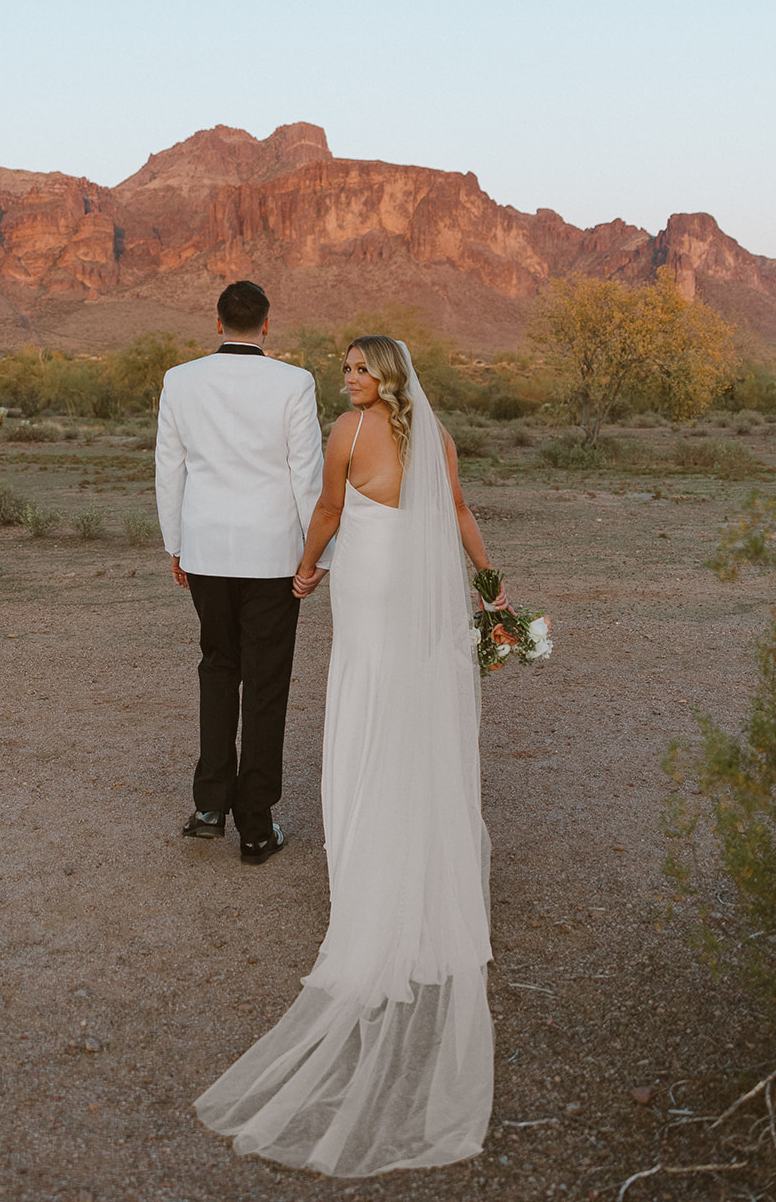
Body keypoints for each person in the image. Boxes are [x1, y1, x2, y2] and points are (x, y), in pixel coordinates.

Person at [195, 335, 501, 1174]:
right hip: (420, 580)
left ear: (385, 377)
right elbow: (463, 511)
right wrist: (489, 582)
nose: (348, 379)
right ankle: (416, 842)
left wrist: (302, 572)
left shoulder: (350, 433)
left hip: (368, 581)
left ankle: (371, 852)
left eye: (359, 370)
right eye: (346, 373)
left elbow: (328, 514)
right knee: (415, 701)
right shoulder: (431, 435)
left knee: (366, 694)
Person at [154, 281, 328, 864]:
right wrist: (317, 556)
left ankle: (209, 805)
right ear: (266, 324)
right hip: (274, 557)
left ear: (219, 322)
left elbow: (169, 468)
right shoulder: (294, 383)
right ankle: (255, 824)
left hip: (206, 551)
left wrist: (175, 545)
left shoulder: (180, 380)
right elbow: (306, 475)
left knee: (216, 666)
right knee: (266, 682)